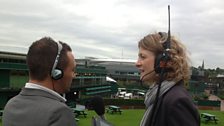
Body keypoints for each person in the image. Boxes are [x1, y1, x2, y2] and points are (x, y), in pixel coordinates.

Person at [3, 37, 77, 126]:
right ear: (56, 73)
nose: (74, 75)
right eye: (72, 70)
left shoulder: (10, 105)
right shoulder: (60, 113)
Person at [135, 32, 200, 126]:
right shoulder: (159, 95)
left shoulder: (176, 101)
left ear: (163, 61)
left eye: (143, 57)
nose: (137, 63)